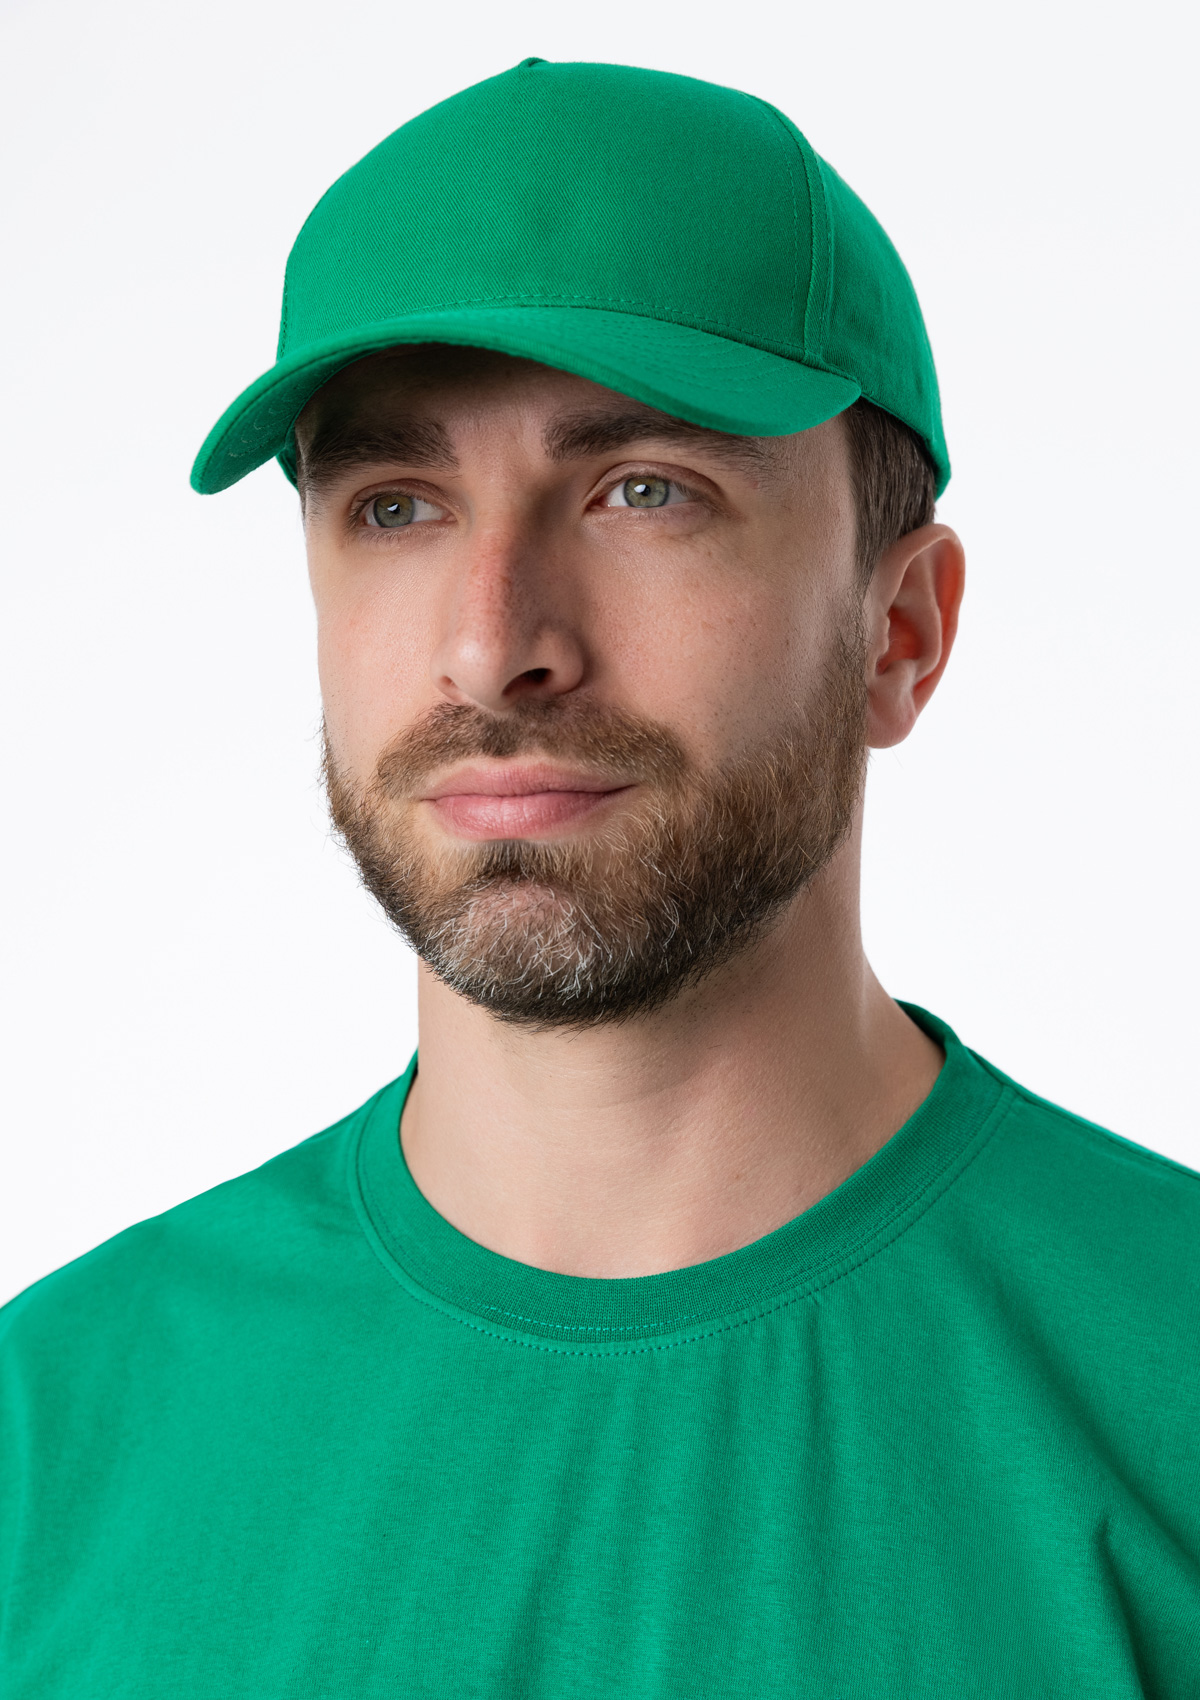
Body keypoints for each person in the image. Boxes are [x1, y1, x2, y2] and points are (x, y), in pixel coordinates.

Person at [2, 57, 1197, 1698]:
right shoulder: (50, 1441)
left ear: (901, 633)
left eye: (646, 491)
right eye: (397, 506)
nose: (493, 644)